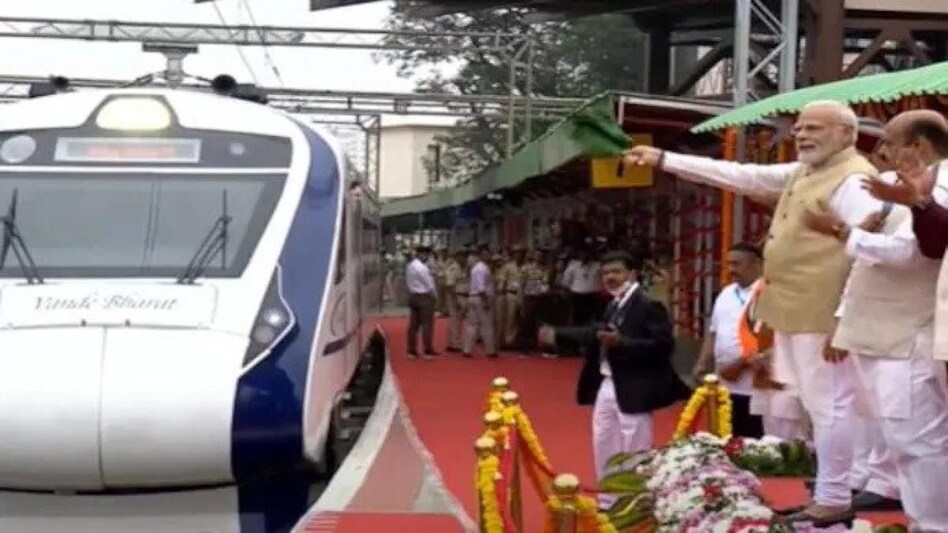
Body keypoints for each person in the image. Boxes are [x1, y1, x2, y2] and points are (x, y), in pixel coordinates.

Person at [624, 100, 883, 526]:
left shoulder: (853, 180)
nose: (801, 135)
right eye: (799, 127)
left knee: (831, 404)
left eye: (815, 128)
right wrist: (663, 159)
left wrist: (845, 314)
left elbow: (868, 253)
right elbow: (740, 175)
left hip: (825, 312)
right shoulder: (807, 172)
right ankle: (830, 492)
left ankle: (836, 495)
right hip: (796, 308)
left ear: (846, 135)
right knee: (817, 407)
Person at [538, 251, 689, 510]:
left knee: (634, 445)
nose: (610, 277)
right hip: (607, 383)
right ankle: (608, 501)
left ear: (631, 274)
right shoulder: (612, 304)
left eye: (616, 272)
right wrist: (558, 334)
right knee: (603, 440)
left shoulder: (648, 305)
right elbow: (593, 332)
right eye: (606, 273)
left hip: (635, 385)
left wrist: (623, 343)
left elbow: (663, 346)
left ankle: (634, 503)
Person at [692, 242, 767, 438]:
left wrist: (742, 363)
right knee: (725, 441)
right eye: (729, 264)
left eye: (737, 264)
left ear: (757, 263)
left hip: (756, 385)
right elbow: (713, 332)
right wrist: (701, 364)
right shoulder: (725, 294)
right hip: (724, 385)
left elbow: (771, 339)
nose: (731, 269)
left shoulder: (769, 292)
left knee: (753, 442)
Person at [463, 246, 497, 358]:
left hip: (472, 296)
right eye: (486, 253)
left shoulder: (475, 267)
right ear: (481, 255)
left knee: (472, 324)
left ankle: (467, 349)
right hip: (481, 298)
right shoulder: (483, 268)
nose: (489, 255)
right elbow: (482, 288)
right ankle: (490, 350)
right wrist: (486, 301)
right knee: (486, 325)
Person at [405, 245, 438, 360]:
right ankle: (428, 350)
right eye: (426, 255)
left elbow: (408, 282)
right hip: (424, 297)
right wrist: (435, 297)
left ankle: (411, 351)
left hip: (413, 296)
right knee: (427, 325)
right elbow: (430, 284)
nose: (427, 257)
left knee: (413, 326)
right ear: (422, 254)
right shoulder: (422, 268)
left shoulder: (410, 266)